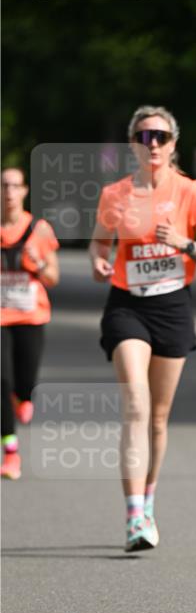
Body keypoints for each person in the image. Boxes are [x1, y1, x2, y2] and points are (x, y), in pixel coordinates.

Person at [89, 105, 196, 552]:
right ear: (133, 143)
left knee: (159, 417)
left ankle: (148, 503)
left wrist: (183, 242)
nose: (153, 145)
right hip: (126, 306)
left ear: (173, 144)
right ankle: (133, 516)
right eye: (145, 136)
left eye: (161, 137)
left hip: (172, 307)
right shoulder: (115, 195)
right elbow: (98, 242)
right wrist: (98, 260)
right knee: (135, 402)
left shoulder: (190, 193)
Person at [1, 167, 60, 480]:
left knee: (24, 383)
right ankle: (10, 452)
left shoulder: (39, 229)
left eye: (15, 186)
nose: (9, 192)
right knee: (1, 380)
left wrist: (35, 263)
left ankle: (23, 398)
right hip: (1, 318)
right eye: (4, 186)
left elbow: (53, 277)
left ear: (24, 192)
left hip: (31, 314)